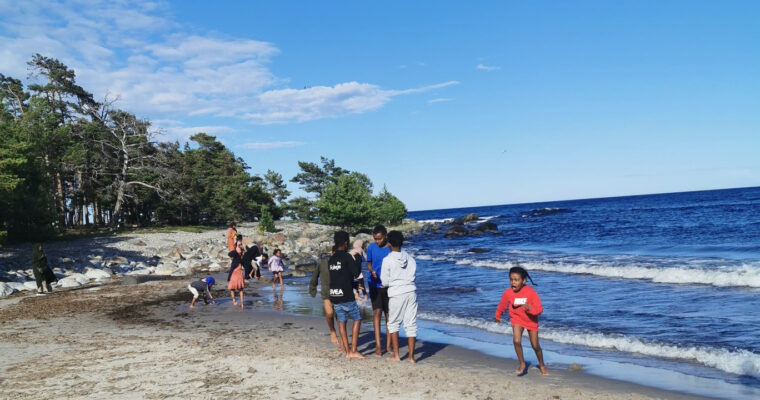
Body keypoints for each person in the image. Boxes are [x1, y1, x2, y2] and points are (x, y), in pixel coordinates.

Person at [494, 266, 548, 376]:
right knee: (516, 341)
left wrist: (530, 309)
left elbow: (539, 309)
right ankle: (522, 363)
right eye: (511, 280)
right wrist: (498, 315)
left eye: (516, 280)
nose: (513, 283)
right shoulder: (508, 292)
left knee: (535, 346)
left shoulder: (531, 293)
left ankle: (542, 364)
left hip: (531, 320)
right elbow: (502, 305)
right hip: (516, 319)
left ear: (523, 281)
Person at [380, 231, 418, 364]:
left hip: (396, 293)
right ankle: (411, 357)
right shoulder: (410, 258)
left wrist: (388, 284)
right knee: (410, 324)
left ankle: (396, 355)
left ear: (389, 243)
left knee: (394, 323)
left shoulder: (387, 260)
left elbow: (384, 281)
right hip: (411, 291)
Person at [328, 231, 364, 359]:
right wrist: (358, 258)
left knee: (341, 322)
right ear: (345, 243)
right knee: (357, 319)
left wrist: (353, 285)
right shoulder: (347, 256)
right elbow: (356, 273)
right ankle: (353, 350)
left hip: (334, 295)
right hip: (346, 295)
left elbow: (339, 277)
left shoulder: (331, 259)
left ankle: (347, 351)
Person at [366, 224, 391, 356]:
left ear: (385, 236)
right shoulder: (371, 247)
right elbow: (368, 263)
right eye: (375, 239)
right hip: (374, 284)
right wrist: (371, 270)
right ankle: (378, 345)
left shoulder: (391, 248)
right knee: (376, 313)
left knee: (389, 315)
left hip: (388, 286)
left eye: (380, 239)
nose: (377, 241)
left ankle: (388, 345)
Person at [309, 246, 339, 346]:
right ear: (332, 253)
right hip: (326, 293)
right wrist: (312, 288)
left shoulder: (342, 263)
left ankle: (342, 337)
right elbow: (315, 276)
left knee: (340, 316)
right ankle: (332, 331)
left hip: (340, 293)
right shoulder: (322, 263)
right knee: (329, 314)